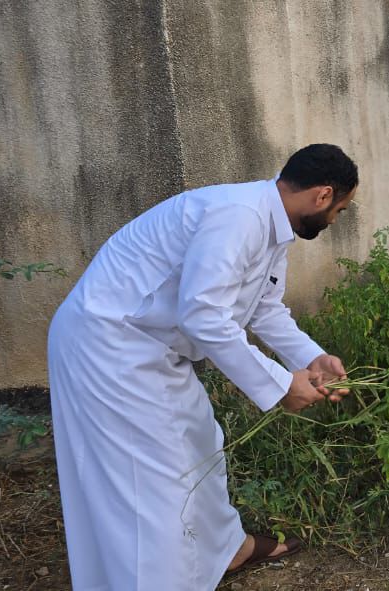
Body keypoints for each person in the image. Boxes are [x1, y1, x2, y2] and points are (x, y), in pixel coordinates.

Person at [47, 144, 359, 590]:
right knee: (150, 481)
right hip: (108, 346)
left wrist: (311, 358)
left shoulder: (272, 224)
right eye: (341, 210)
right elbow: (203, 316)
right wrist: (279, 385)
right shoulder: (241, 216)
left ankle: (228, 549)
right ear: (324, 195)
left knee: (198, 443)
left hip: (150, 348)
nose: (335, 221)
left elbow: (263, 309)